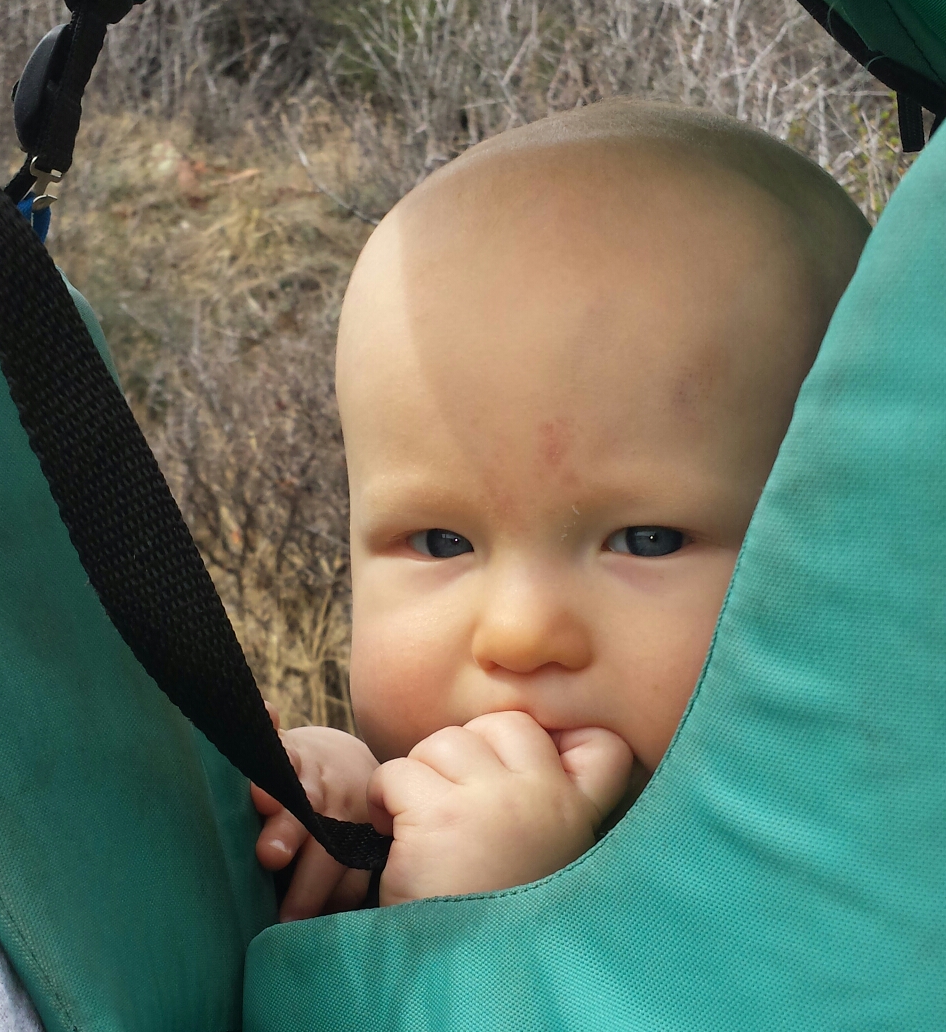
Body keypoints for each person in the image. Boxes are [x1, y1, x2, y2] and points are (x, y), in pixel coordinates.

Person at [252, 99, 870, 920]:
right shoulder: (389, 800)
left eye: (646, 539)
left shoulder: (860, 872)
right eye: (438, 541)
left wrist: (494, 920)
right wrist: (357, 810)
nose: (519, 635)